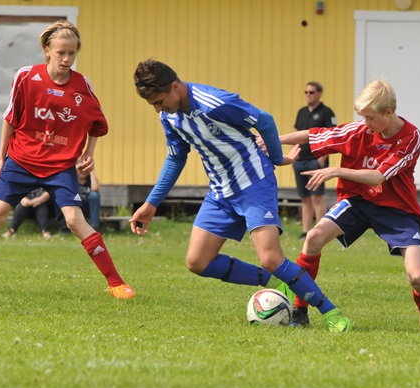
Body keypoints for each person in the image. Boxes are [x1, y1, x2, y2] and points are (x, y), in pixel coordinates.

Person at [130, 58, 350, 331]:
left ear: (175, 86)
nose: (157, 109)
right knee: (197, 262)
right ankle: (276, 283)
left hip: (254, 183)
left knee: (271, 258)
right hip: (220, 192)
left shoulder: (214, 103)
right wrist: (151, 203)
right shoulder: (170, 116)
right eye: (153, 104)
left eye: (159, 101)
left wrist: (277, 158)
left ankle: (332, 313)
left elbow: (264, 120)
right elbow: (176, 158)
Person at [0, 21, 134, 299]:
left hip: (60, 166)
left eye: (72, 53)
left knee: (74, 220)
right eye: (61, 53)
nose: (67, 59)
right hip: (21, 160)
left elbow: (97, 124)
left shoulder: (82, 86)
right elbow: (10, 118)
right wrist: (0, 159)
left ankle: (116, 283)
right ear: (47, 50)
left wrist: (89, 153)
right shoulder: (26, 77)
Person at [279, 78, 420, 331]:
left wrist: (336, 171)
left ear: (389, 112)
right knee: (313, 238)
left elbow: (378, 176)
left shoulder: (411, 137)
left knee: (417, 277)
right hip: (358, 202)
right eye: (363, 117)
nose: (365, 123)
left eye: (370, 118)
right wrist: (273, 140)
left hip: (397, 210)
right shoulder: (359, 131)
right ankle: (299, 311)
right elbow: (314, 135)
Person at [293, 82, 337, 240]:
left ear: (319, 93)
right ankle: (306, 232)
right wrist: (293, 154)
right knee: (305, 198)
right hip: (300, 161)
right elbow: (296, 132)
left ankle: (320, 231)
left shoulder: (326, 112)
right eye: (306, 92)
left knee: (316, 197)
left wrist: (321, 160)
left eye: (311, 92)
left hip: (315, 161)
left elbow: (332, 136)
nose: (308, 95)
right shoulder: (302, 112)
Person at [59, 160, 101, 233]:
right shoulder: (71, 179)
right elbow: (63, 183)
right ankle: (65, 228)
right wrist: (75, 169)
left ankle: (95, 227)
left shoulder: (90, 180)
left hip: (87, 208)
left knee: (95, 195)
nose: (82, 171)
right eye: (80, 169)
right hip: (74, 208)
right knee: (63, 196)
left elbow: (95, 188)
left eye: (84, 169)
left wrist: (91, 171)